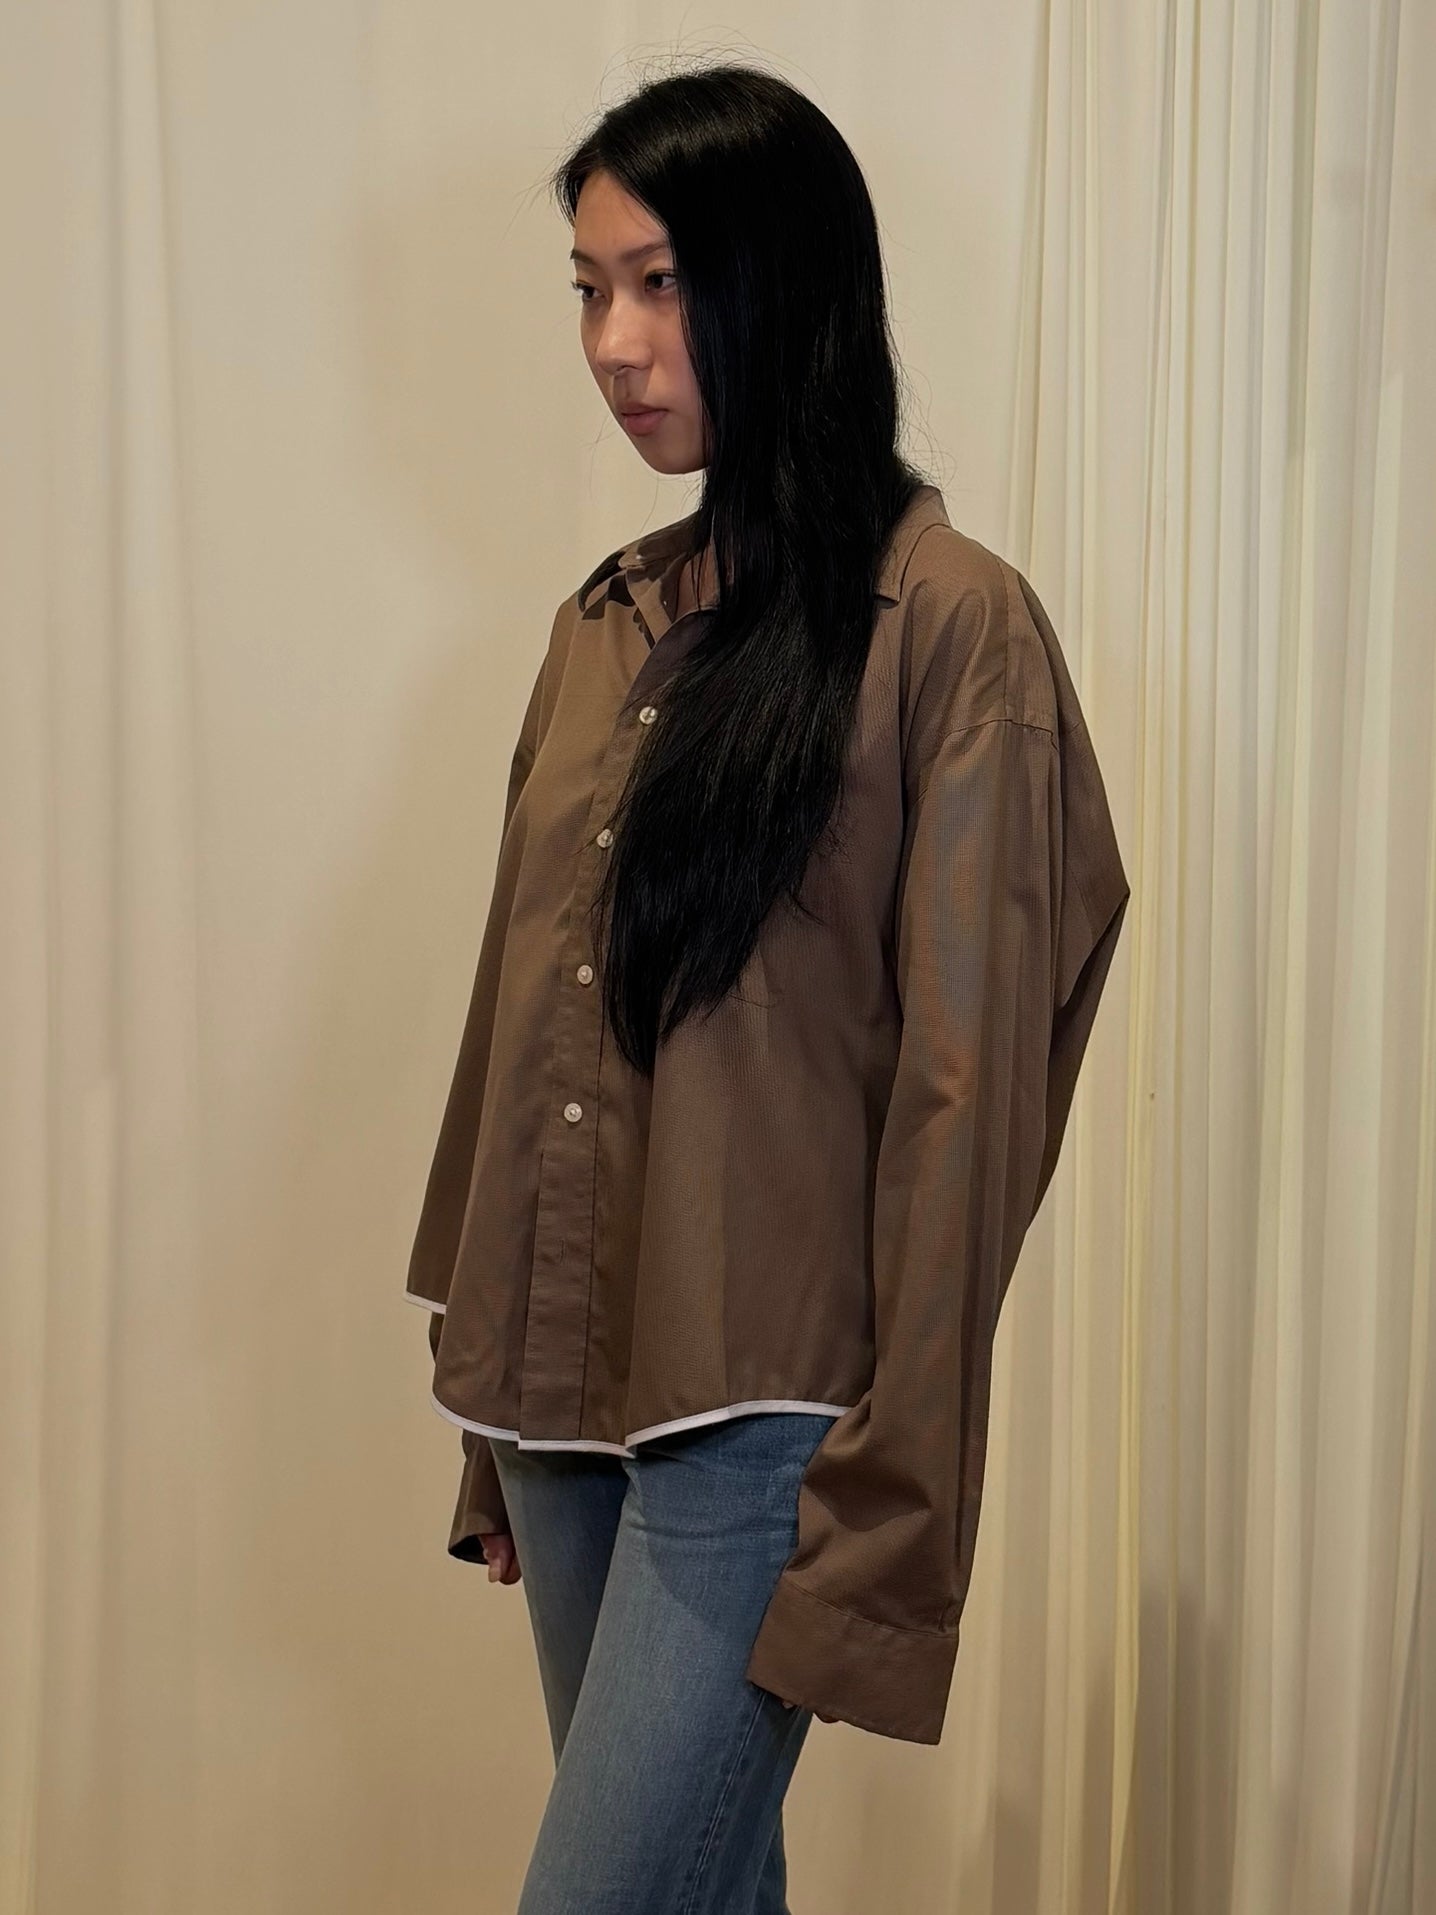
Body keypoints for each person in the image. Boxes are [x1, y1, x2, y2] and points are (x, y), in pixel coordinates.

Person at [405, 59, 1130, 1915]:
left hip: (765, 1426)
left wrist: (900, 1487)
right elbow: (524, 1026)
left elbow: (972, 1096)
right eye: (589, 289)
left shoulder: (949, 624)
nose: (613, 343)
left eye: (659, 283)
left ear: (782, 282)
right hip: (567, 1408)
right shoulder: (602, 624)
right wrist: (496, 1407)